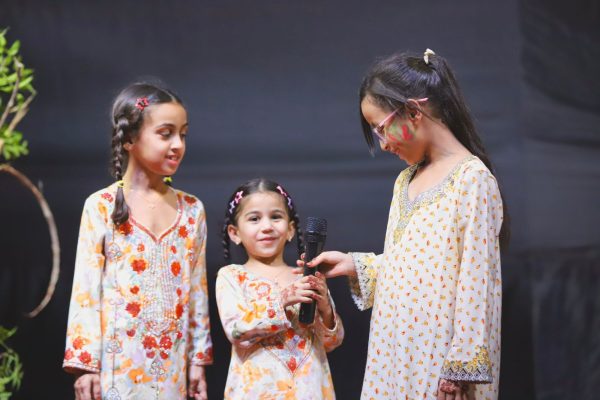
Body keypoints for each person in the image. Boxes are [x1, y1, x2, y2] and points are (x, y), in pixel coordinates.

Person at [301, 49, 507, 400]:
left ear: (413, 111)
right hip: (394, 351)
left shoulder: (472, 180)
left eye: (381, 129)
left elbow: (478, 282)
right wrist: (355, 265)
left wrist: (459, 369)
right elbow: (413, 265)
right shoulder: (405, 182)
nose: (382, 144)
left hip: (439, 360)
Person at [63, 83, 213, 400]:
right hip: (114, 368)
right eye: (165, 133)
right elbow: (86, 293)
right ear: (129, 138)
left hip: (172, 369)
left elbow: (197, 293)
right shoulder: (101, 206)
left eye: (183, 134)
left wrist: (197, 362)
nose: (178, 145)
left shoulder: (192, 210)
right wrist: (85, 367)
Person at [216, 178, 344, 399]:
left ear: (291, 229)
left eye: (276, 217)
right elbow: (236, 331)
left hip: (308, 390)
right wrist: (282, 299)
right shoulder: (232, 276)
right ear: (234, 233)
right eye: (254, 219)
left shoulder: (305, 276)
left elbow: (332, 341)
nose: (267, 226)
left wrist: (325, 309)